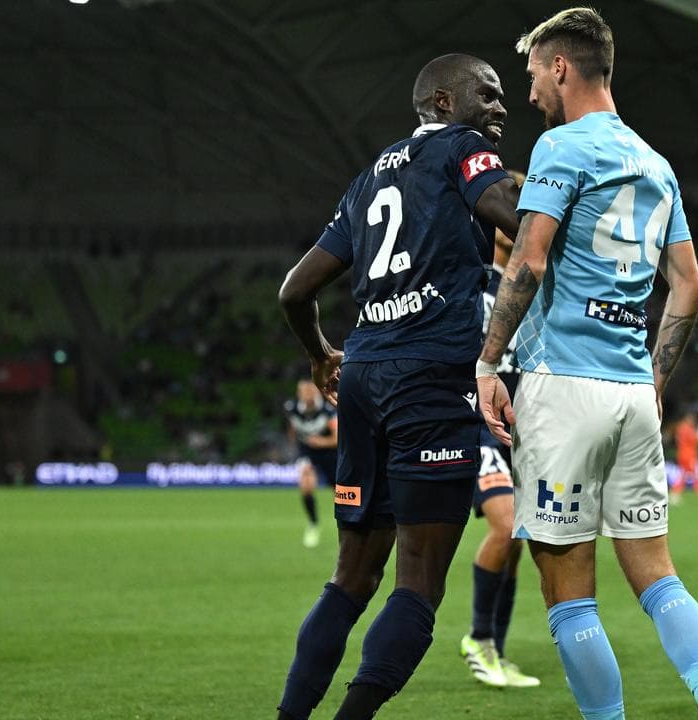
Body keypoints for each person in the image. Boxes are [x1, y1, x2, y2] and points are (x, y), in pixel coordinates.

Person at [477, 8, 698, 720]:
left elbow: (527, 261)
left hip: (563, 388)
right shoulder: (657, 164)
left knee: (569, 591)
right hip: (631, 395)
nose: (528, 92)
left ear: (560, 66)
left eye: (532, 74)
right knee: (658, 577)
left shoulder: (561, 148)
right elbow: (690, 285)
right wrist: (654, 382)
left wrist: (486, 362)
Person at [275, 52, 520, 720]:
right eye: (488, 94)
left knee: (351, 577)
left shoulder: (365, 180)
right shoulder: (464, 151)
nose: (501, 107)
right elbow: (506, 209)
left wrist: (323, 354)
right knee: (418, 582)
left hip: (361, 378)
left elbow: (295, 290)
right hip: (432, 379)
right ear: (443, 103)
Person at [459, 171, 541, 689]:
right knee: (505, 523)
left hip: (521, 423)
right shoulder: (469, 277)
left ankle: (498, 650)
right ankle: (477, 639)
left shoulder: (532, 282)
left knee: (518, 538)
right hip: (476, 421)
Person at [285, 378, 338, 548]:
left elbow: (337, 438)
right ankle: (313, 524)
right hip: (307, 451)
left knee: (338, 492)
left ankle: (343, 525)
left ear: (317, 392)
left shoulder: (328, 410)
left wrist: (320, 442)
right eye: (304, 392)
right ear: (298, 394)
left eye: (311, 391)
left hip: (329, 452)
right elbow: (292, 428)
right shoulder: (291, 408)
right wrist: (296, 448)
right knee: (306, 482)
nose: (307, 395)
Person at [671, 409, 698, 506]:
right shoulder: (687, 429)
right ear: (688, 418)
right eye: (692, 419)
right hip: (689, 455)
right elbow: (697, 440)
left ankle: (674, 495)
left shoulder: (680, 427)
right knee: (695, 475)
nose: (693, 421)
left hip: (682, 454)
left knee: (683, 476)